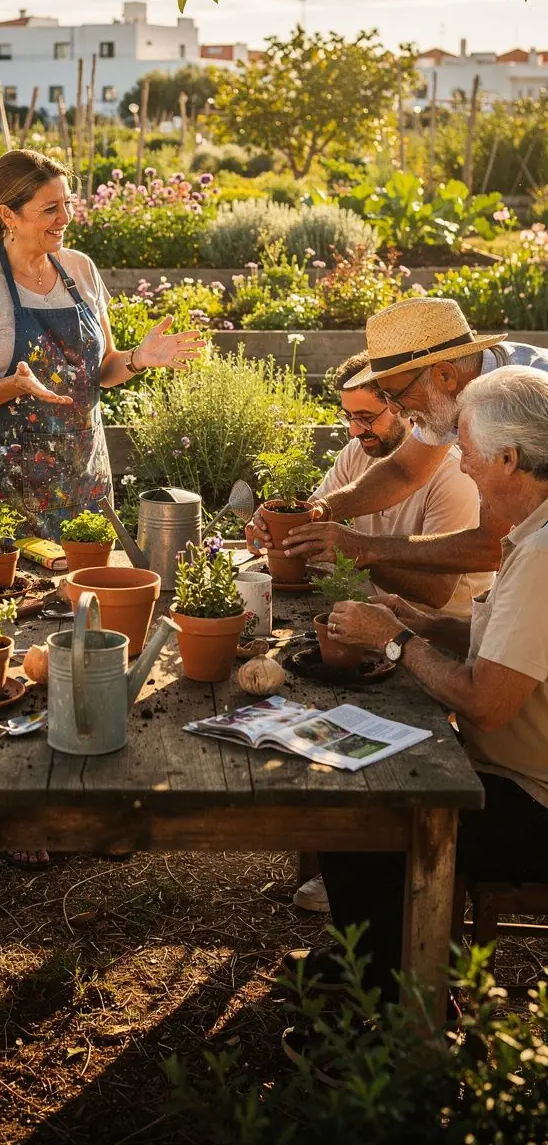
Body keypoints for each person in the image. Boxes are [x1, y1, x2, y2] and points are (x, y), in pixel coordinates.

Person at [280, 366, 548, 1044]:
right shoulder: (533, 532)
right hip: (512, 775)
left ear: (510, 459)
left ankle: (404, 1019)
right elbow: (505, 650)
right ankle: (382, 967)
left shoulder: (543, 554)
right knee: (354, 782)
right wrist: (425, 626)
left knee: (361, 817)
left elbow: (486, 701)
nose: (457, 460)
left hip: (534, 802)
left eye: (467, 449)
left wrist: (397, 642)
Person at [289, 349, 491, 917]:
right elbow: (378, 483)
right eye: (347, 417)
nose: (356, 431)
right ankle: (349, 875)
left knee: (357, 762)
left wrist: (358, 554)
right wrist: (312, 515)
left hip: (457, 629)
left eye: (376, 411)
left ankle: (369, 891)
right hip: (410, 622)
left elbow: (453, 580)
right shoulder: (376, 447)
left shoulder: (467, 464)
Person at [0, 148, 205, 538]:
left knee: (86, 583)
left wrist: (137, 358)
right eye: (49, 209)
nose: (64, 218)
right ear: (8, 215)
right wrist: (11, 386)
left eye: (68, 203)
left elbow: (105, 369)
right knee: (10, 590)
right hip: (2, 476)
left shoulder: (79, 268)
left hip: (81, 472)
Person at [249, 297, 548, 580]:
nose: (394, 409)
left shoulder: (514, 401)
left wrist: (365, 549)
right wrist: (317, 512)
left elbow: (492, 547)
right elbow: (403, 472)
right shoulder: (453, 385)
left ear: (444, 375)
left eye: (397, 395)